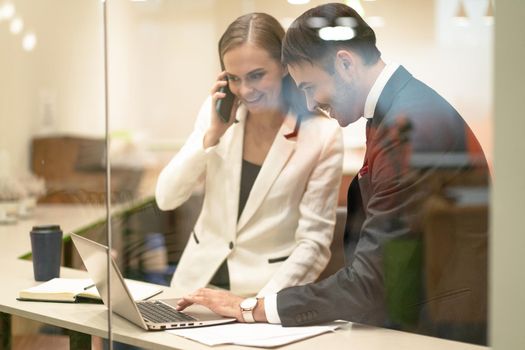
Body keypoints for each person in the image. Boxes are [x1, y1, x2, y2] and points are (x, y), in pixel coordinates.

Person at [176, 3, 489, 345]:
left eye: (310, 87)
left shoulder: (408, 125)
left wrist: (252, 307)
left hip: (443, 327)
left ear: (345, 63)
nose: (309, 104)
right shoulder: (398, 110)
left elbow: (370, 281)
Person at [155, 13, 343, 298]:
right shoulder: (217, 113)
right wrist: (212, 136)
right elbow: (166, 198)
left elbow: (313, 245)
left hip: (263, 292)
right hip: (195, 285)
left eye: (256, 76)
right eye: (233, 78)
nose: (244, 90)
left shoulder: (321, 135)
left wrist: (257, 307)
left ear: (284, 66)